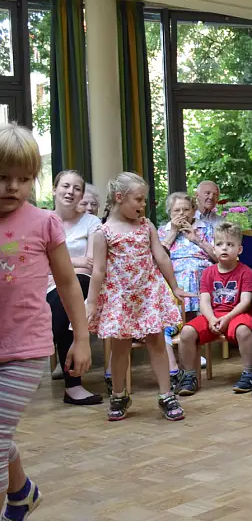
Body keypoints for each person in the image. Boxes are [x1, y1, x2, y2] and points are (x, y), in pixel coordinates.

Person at [0, 122, 92, 521]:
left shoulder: (43, 223)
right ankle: (21, 493)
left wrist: (82, 339)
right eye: (3, 177)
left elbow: (70, 284)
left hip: (25, 349)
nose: (12, 187)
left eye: (22, 179)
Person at [87, 172, 187, 422]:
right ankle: (119, 395)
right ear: (120, 198)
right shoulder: (103, 233)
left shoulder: (147, 226)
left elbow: (161, 257)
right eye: (138, 200)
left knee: (157, 344)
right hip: (120, 299)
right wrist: (91, 301)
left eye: (144, 201)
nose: (142, 206)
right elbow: (98, 270)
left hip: (148, 295)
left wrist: (174, 287)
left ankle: (166, 394)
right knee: (120, 349)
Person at [175, 222, 252, 395]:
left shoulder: (246, 271)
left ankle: (249, 373)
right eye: (219, 244)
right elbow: (204, 301)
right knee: (187, 332)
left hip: (237, 313)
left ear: (239, 250)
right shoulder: (208, 273)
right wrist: (212, 319)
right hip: (214, 315)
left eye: (230, 244)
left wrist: (226, 319)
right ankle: (190, 376)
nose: (224, 248)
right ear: (213, 248)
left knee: (244, 332)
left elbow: (245, 302)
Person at [47, 170, 102, 404]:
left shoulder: (91, 221)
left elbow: (91, 263)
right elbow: (38, 263)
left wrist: (56, 263)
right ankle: (73, 385)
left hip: (81, 283)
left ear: (82, 194)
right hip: (47, 285)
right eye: (65, 186)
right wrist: (75, 262)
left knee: (67, 301)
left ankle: (73, 385)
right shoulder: (43, 220)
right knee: (61, 306)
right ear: (54, 190)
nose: (71, 192)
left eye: (76, 188)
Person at [158, 192, 216, 384]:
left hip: (202, 278)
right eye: (176, 210)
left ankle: (190, 336)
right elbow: (156, 261)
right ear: (169, 213)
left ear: (193, 211)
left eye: (186, 210)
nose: (181, 214)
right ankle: (175, 368)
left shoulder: (204, 229)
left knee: (195, 272)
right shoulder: (161, 232)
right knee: (179, 276)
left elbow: (218, 257)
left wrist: (197, 239)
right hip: (172, 280)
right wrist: (172, 233)